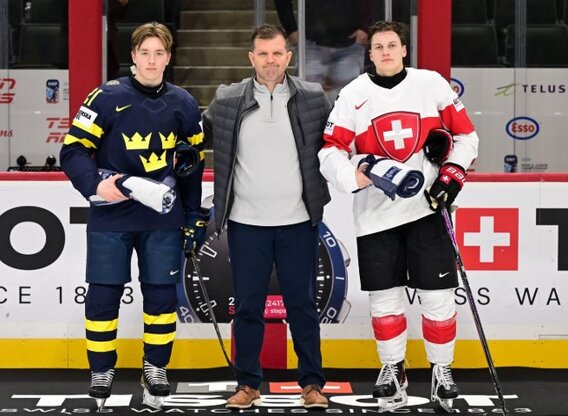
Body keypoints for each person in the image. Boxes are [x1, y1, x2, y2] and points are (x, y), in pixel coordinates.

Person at [318, 21, 479, 413]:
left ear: (404, 49)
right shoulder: (354, 93)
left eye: (392, 45)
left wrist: (451, 175)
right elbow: (330, 149)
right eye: (378, 47)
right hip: (375, 215)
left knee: (438, 298)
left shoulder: (431, 84)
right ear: (370, 53)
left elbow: (466, 136)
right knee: (384, 301)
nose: (386, 52)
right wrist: (352, 176)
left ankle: (442, 370)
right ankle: (393, 368)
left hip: (428, 209)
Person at [60, 22, 207, 411]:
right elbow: (72, 150)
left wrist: (193, 215)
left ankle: (155, 368)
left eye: (159, 53)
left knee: (161, 296)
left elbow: (191, 166)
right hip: (112, 216)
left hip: (162, 220)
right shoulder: (105, 97)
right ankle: (101, 370)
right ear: (133, 56)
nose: (152, 61)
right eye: (145, 53)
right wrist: (96, 185)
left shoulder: (184, 104)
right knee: (103, 296)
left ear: (168, 57)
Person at [202, 23, 331, 410]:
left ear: (288, 57)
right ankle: (248, 384)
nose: (270, 60)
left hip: (298, 222)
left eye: (277, 53)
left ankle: (312, 384)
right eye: (263, 53)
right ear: (251, 57)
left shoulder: (313, 98)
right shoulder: (227, 99)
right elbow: (193, 135)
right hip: (246, 224)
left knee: (302, 306)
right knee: (247, 307)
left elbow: (337, 144)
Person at [274, 0, 369, 101]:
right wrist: (291, 29)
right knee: (308, 102)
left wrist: (366, 27)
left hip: (350, 44)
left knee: (348, 103)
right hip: (311, 42)